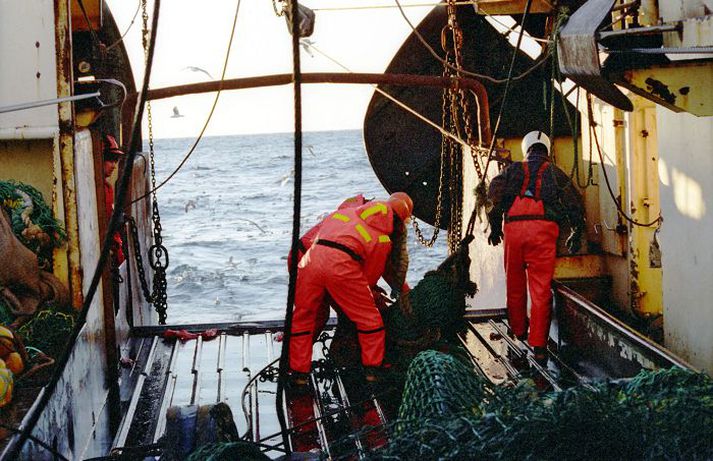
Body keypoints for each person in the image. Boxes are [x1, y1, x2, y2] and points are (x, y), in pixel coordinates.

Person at [288, 192, 413, 385]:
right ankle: (372, 370)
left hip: (309, 260)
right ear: (399, 222)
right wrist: (390, 294)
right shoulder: (381, 239)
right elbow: (369, 280)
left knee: (304, 318)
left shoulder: (347, 215)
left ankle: (298, 373)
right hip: (340, 267)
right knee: (370, 321)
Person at [486, 131, 584, 363]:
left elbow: (494, 192)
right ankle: (539, 345)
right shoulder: (555, 173)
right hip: (543, 233)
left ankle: (518, 331)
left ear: (526, 149)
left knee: (515, 283)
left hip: (515, 231)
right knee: (540, 290)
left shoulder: (512, 170)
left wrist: (494, 226)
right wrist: (576, 232)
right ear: (547, 151)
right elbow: (574, 203)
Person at [103, 134, 125, 265]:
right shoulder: (102, 189)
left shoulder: (107, 188)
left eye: (116, 161)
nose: (114, 166)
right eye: (110, 160)